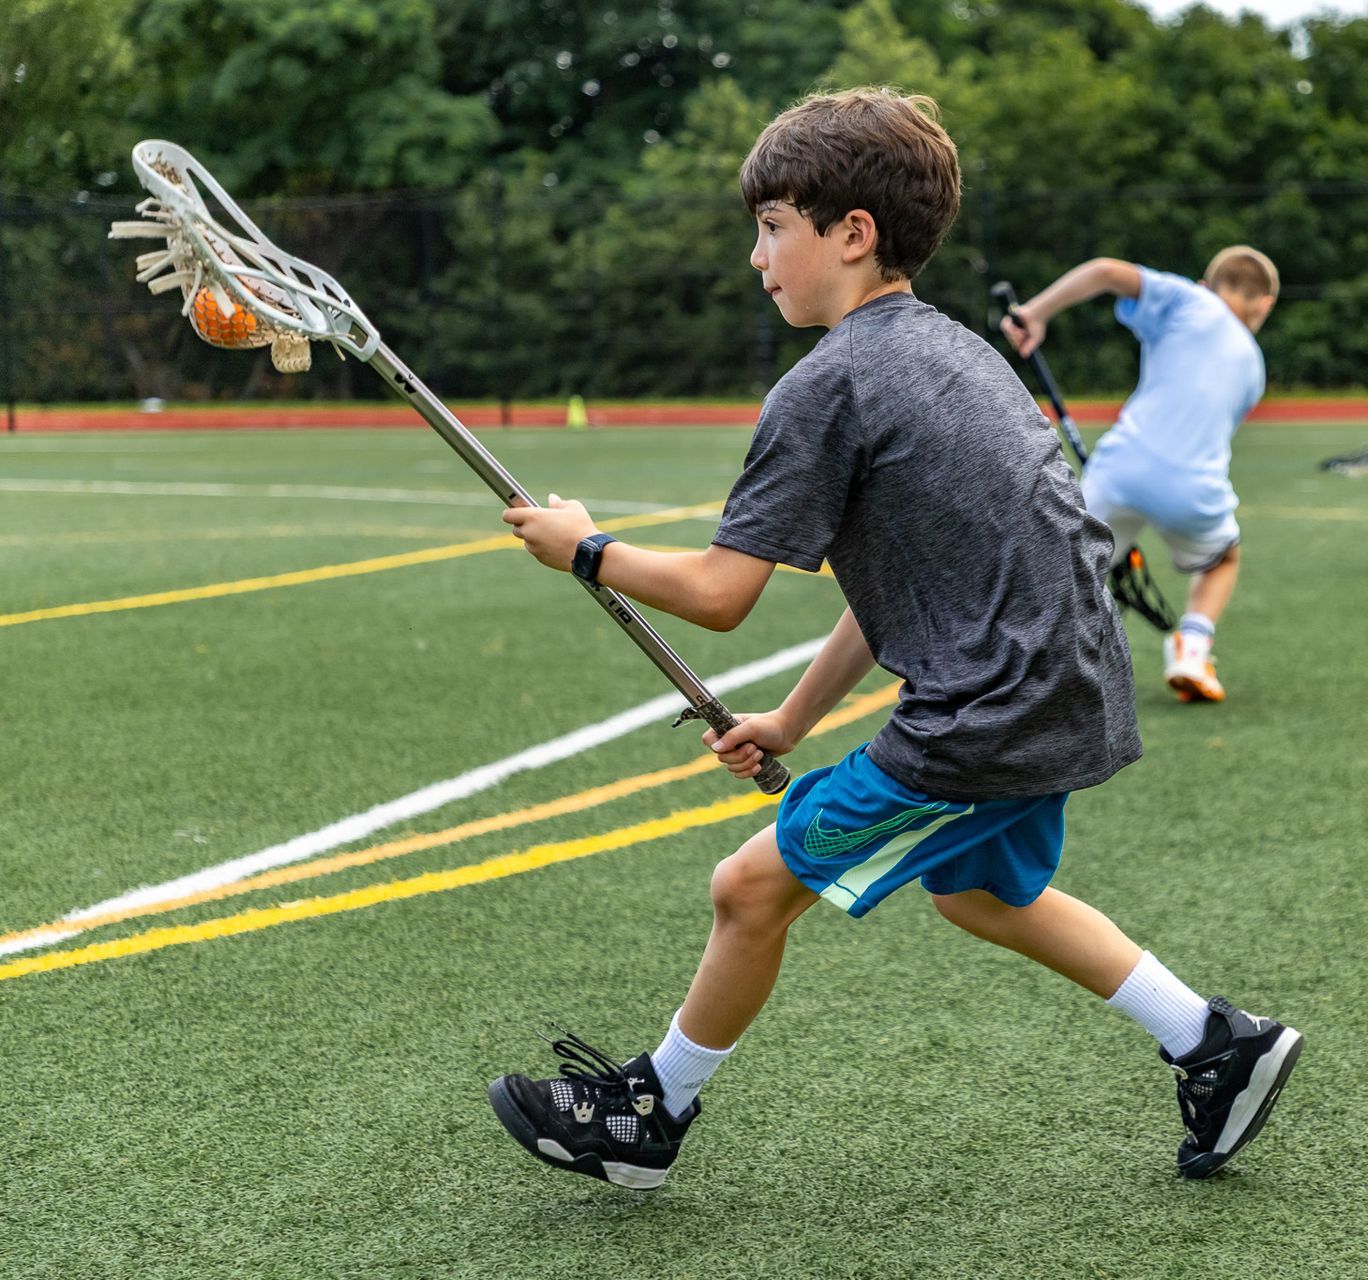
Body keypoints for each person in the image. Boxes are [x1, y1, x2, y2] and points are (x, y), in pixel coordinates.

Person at [485, 88, 1301, 1191]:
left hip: (991, 705)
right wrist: (793, 718)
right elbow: (900, 584)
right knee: (982, 892)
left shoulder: (831, 384)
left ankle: (650, 1108)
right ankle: (1216, 1041)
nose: (758, 253)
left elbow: (723, 592)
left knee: (748, 887)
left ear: (853, 234)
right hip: (1068, 675)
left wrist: (586, 548)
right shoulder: (953, 352)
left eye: (775, 224)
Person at [1001, 247, 1277, 703]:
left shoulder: (1189, 299)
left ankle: (1023, 666)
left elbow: (1106, 272)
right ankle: (1191, 647)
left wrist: (1034, 313)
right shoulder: (1256, 370)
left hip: (1120, 469)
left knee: (1064, 576)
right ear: (1264, 305)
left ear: (1207, 285)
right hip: (1193, 491)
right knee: (1223, 558)